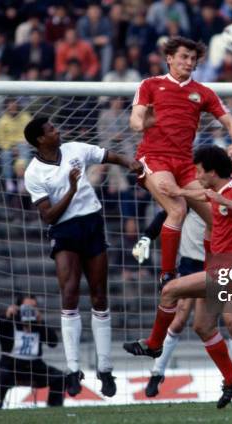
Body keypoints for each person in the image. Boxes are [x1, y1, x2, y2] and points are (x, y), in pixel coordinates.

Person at [124, 146, 232, 409]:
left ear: (212, 172)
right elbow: (201, 193)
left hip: (231, 270)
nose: (196, 175)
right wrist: (179, 192)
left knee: (170, 291)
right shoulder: (213, 192)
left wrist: (225, 203)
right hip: (217, 268)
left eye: (199, 171)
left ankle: (154, 344)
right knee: (203, 327)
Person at [23, 118, 143, 398]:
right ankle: (73, 369)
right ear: (40, 140)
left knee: (100, 295)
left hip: (91, 223)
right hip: (64, 230)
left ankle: (104, 368)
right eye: (51, 129)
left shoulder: (75, 149)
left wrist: (129, 163)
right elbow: (48, 215)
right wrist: (72, 189)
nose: (57, 130)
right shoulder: (34, 173)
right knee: (70, 293)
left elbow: (105, 154)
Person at [130, 36, 232, 288]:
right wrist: (142, 122)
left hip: (185, 164)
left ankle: (210, 270)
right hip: (153, 158)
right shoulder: (151, 85)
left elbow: (231, 122)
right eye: (183, 57)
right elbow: (135, 119)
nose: (189, 62)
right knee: (178, 209)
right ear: (169, 58)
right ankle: (167, 274)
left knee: (217, 218)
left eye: (193, 59)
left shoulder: (203, 92)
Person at [140, 210, 232, 398]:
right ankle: (157, 373)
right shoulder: (194, 193)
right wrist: (147, 235)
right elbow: (169, 213)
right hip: (192, 262)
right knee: (179, 319)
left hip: (219, 264)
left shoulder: (228, 196)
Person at [0, 294, 65, 409]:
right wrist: (6, 316)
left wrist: (41, 323)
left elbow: (53, 343)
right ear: (18, 307)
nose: (30, 311)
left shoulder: (38, 324)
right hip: (10, 366)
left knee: (59, 377)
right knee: (0, 374)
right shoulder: (9, 321)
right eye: (27, 308)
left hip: (35, 367)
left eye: (33, 307)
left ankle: (54, 407)